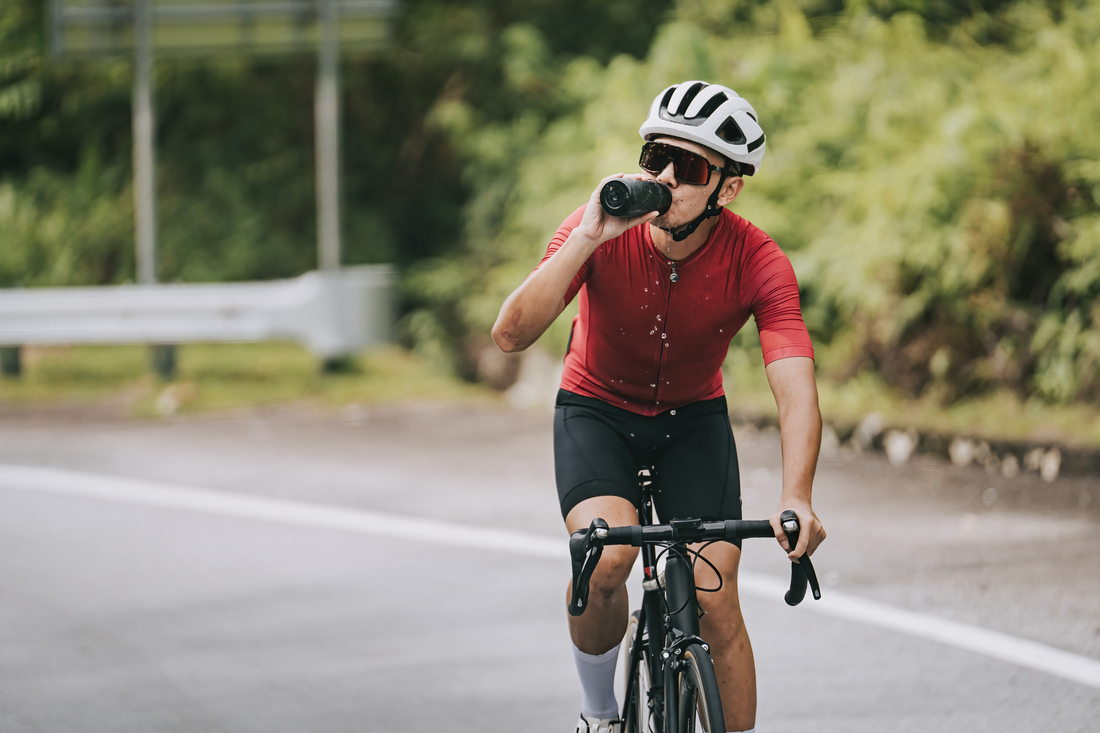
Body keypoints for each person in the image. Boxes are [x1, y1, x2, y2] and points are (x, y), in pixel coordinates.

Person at [491, 81, 826, 733]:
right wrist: (587, 236)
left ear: (727, 187)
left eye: (691, 168)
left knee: (716, 597)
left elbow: (795, 385)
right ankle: (599, 715)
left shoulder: (757, 258)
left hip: (691, 422)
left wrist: (798, 494)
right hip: (596, 411)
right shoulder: (598, 230)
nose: (667, 178)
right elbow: (510, 334)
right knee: (606, 557)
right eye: (655, 159)